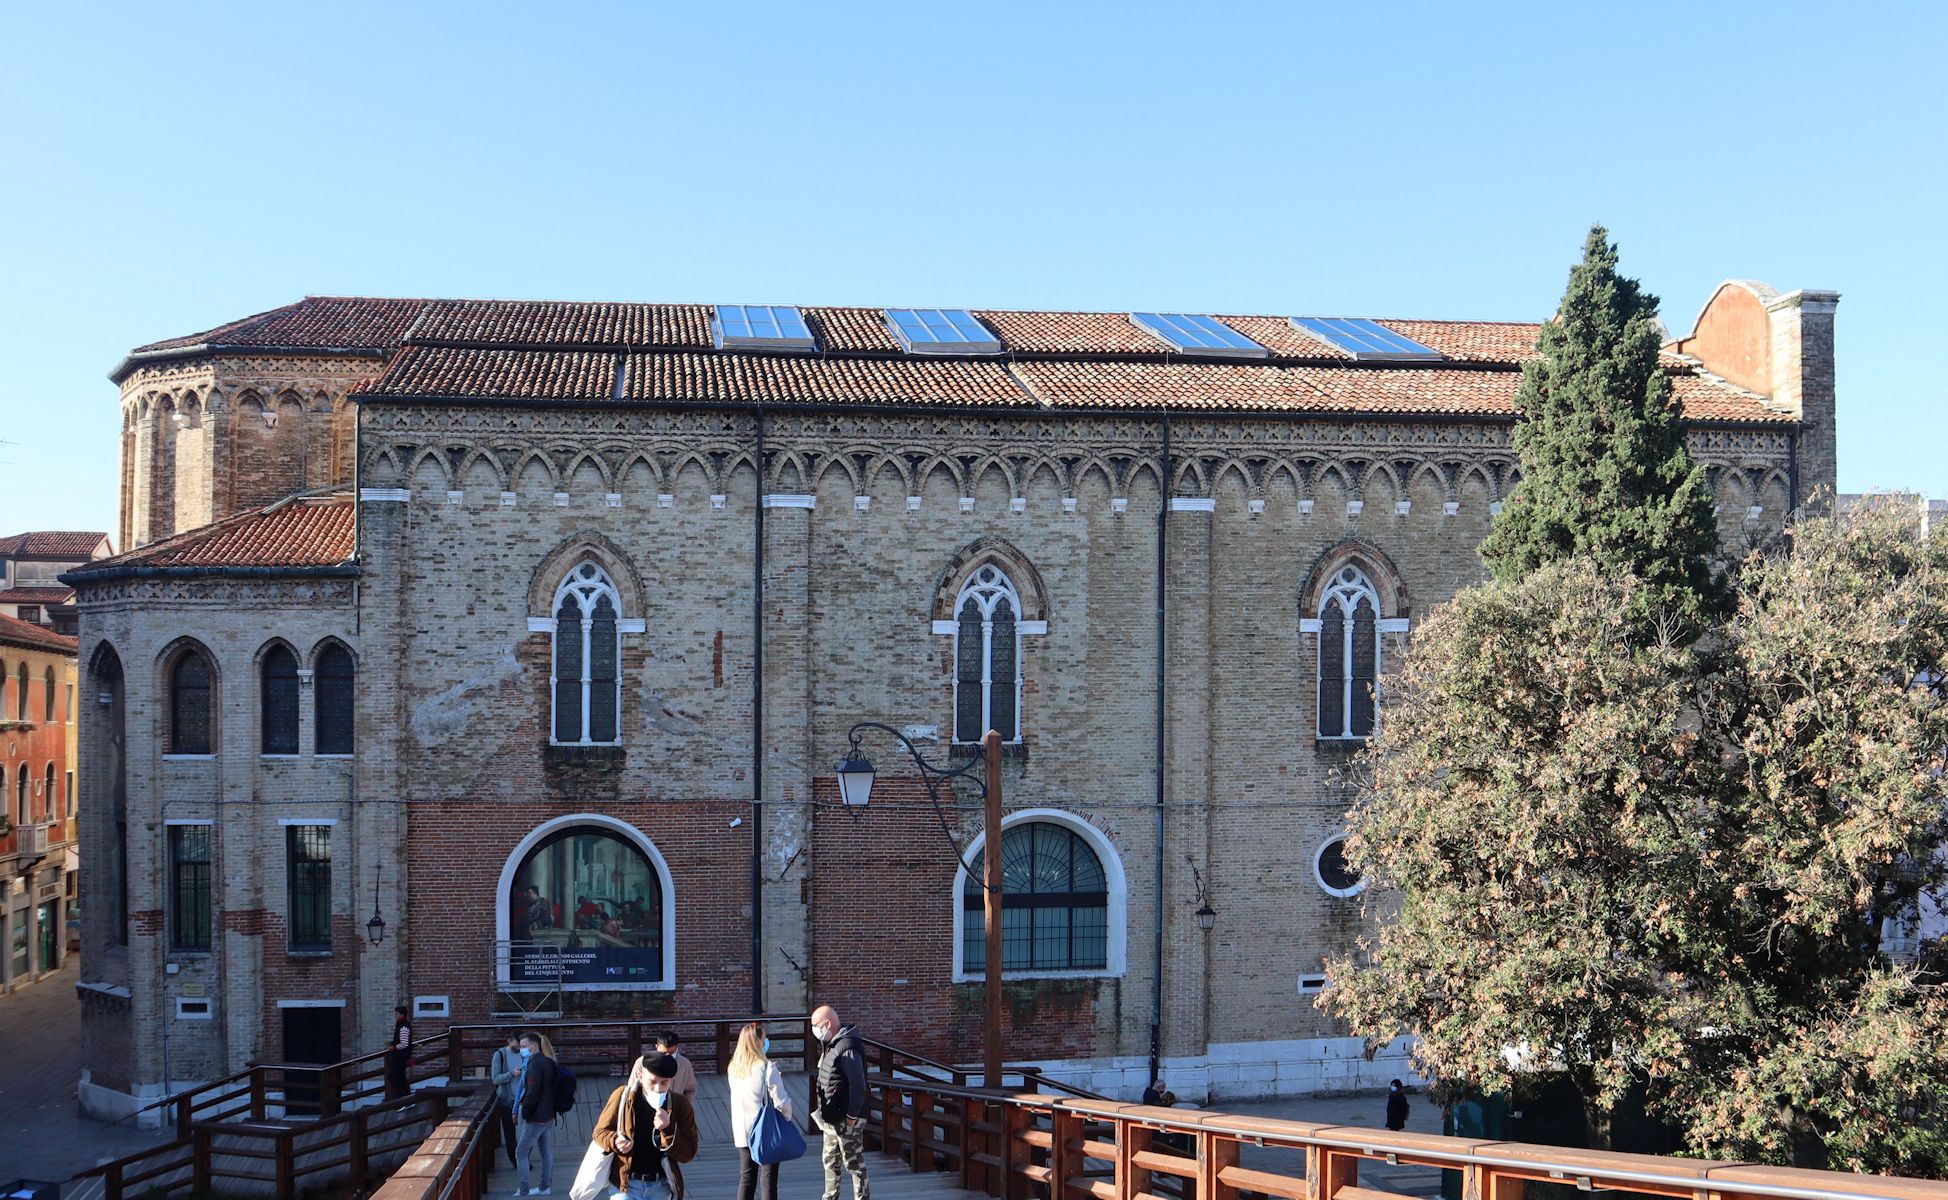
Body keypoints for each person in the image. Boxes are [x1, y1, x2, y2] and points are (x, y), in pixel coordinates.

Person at [593, 1052, 700, 1200]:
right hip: (626, 1183)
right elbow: (599, 1132)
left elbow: (688, 1153)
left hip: (661, 1184)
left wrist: (667, 1129)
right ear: (640, 1076)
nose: (658, 1088)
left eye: (664, 1083)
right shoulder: (622, 1097)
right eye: (652, 1081)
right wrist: (615, 1140)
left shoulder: (681, 1105)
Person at [727, 1023, 793, 1200]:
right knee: (768, 1179)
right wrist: (787, 1116)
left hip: (742, 1130)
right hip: (764, 1130)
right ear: (758, 1043)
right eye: (764, 1039)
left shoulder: (733, 1068)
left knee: (747, 1178)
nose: (766, 1042)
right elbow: (781, 1100)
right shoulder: (767, 1067)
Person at [811, 1005, 869, 1200]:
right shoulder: (831, 1043)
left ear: (828, 1024)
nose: (814, 1031)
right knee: (829, 1160)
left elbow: (858, 1083)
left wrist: (852, 1115)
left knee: (854, 1164)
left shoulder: (848, 1046)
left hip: (847, 1117)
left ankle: (861, 1197)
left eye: (816, 1026)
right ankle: (830, 1196)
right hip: (831, 1116)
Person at [514, 1031, 559, 1196]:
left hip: (536, 1116)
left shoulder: (534, 1065)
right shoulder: (549, 1062)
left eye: (524, 1046)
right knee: (545, 1150)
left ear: (534, 1046)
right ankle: (545, 1186)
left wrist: (525, 1112)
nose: (522, 1050)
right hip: (548, 1114)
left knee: (521, 1152)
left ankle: (524, 1189)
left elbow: (532, 1092)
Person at [491, 1030, 524, 1167]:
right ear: (509, 1041)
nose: (520, 1047)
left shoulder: (524, 1054)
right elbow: (495, 1079)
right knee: (510, 1134)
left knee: (525, 1134)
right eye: (517, 1044)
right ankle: (515, 1161)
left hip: (523, 1099)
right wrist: (511, 1074)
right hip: (507, 1100)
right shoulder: (500, 1055)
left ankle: (523, 1159)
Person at [653, 1031, 698, 1107]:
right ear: (656, 1046)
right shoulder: (642, 1063)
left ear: (677, 1047)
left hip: (675, 1111)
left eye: (671, 1053)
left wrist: (683, 1107)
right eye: (663, 1053)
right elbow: (632, 1089)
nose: (667, 1056)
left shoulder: (685, 1065)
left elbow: (691, 1090)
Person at [384, 1005, 412, 1100]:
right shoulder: (401, 1025)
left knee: (394, 1076)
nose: (395, 1016)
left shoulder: (403, 1027)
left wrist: (394, 1047)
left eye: (396, 1014)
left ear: (402, 1015)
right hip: (400, 1056)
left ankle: (403, 1099)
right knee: (401, 1078)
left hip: (400, 1057)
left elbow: (404, 1044)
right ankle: (408, 1099)